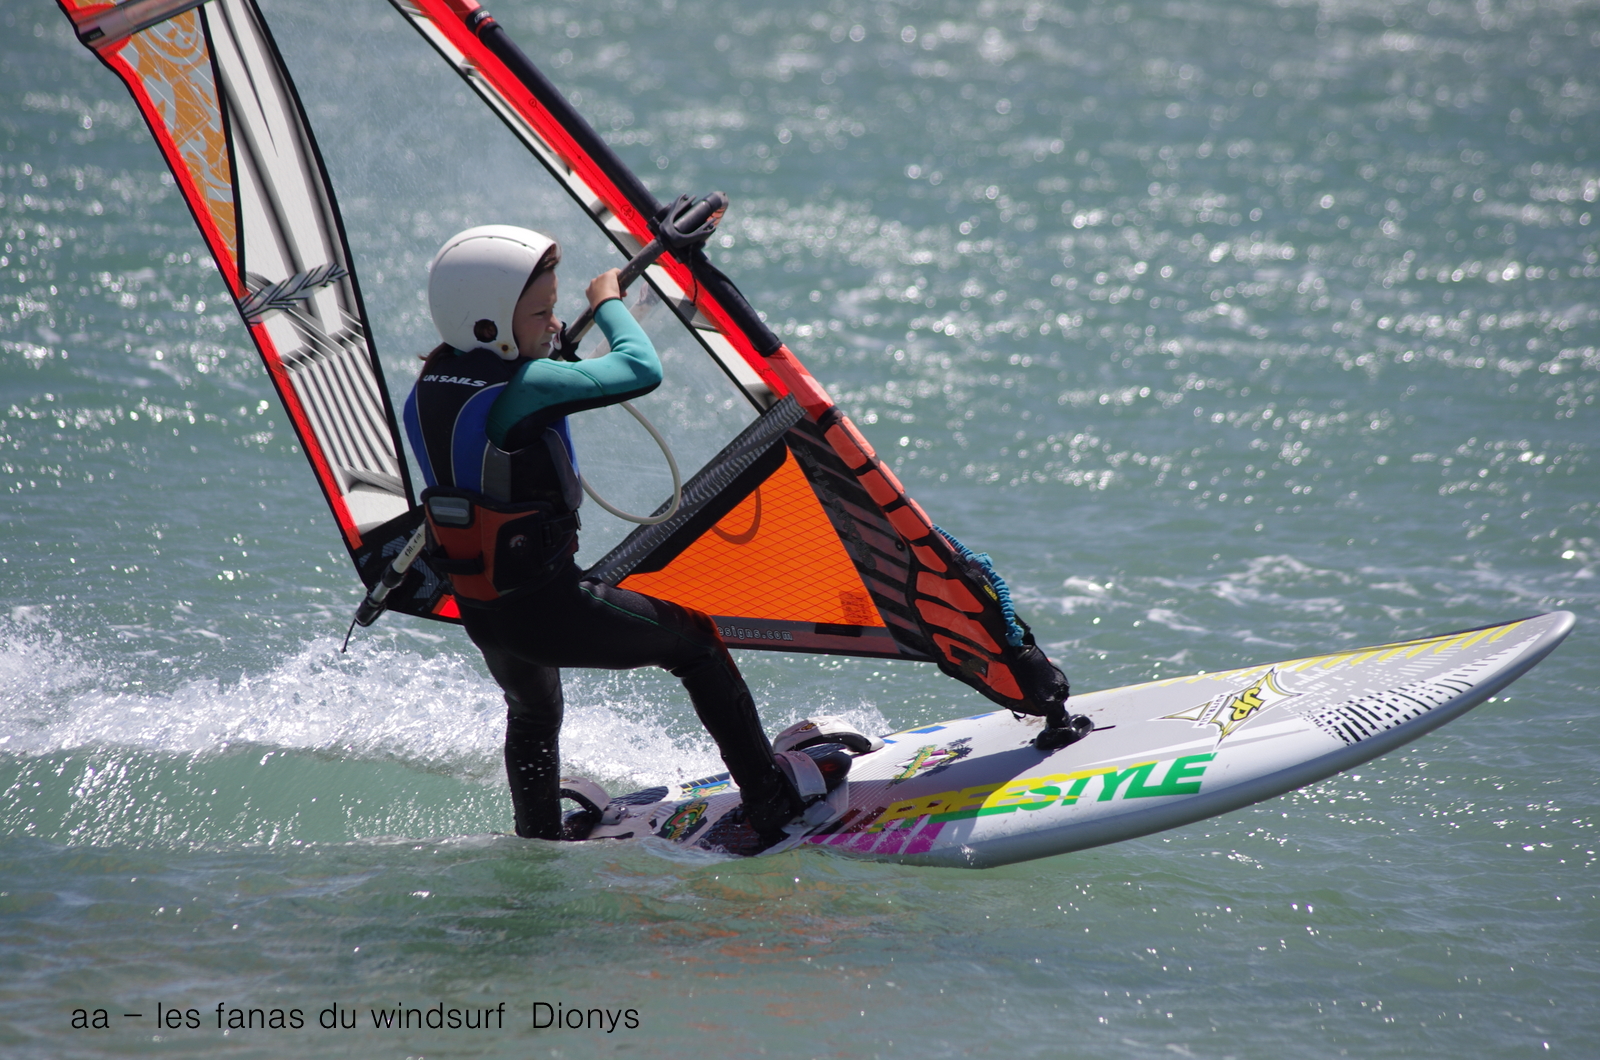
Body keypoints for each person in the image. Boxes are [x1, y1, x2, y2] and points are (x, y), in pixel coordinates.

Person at [402, 225, 809, 842]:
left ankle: (538, 839)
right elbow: (640, 369)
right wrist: (610, 301)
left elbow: (500, 428)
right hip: (548, 608)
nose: (555, 322)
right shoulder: (528, 388)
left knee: (534, 712)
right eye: (541, 313)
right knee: (697, 644)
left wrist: (544, 345)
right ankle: (770, 800)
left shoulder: (429, 385)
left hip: (484, 612)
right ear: (488, 325)